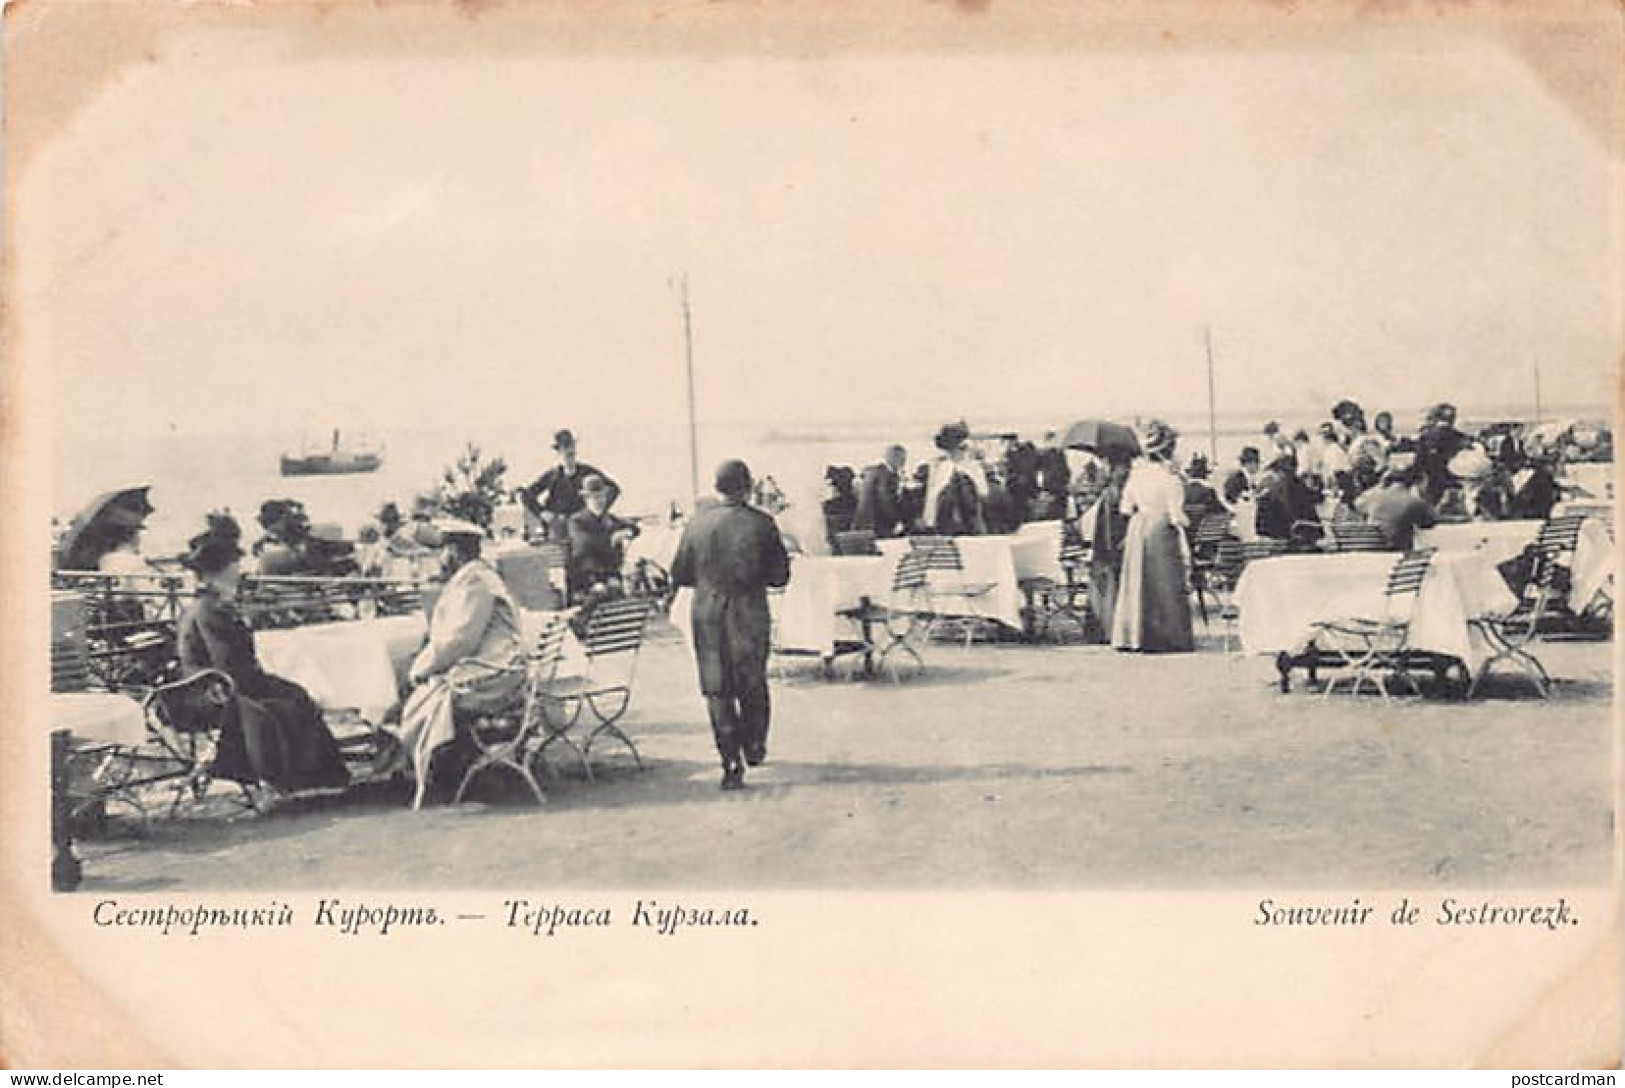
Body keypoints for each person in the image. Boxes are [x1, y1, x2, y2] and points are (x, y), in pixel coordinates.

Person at [174, 518, 349, 803]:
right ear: (223, 570)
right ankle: (305, 778)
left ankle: (309, 778)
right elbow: (228, 664)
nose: (239, 570)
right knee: (291, 701)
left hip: (215, 682)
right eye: (235, 564)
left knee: (296, 695)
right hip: (214, 689)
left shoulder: (208, 605)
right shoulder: (211, 610)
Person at [383, 519, 525, 808]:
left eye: (442, 551)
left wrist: (421, 669)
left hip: (490, 674)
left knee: (419, 689)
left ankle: (426, 766)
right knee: (411, 682)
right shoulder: (478, 576)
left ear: (456, 551)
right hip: (491, 667)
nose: (439, 559)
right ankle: (418, 761)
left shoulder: (474, 582)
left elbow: (460, 640)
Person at [669, 459, 791, 791]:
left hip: (707, 613)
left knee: (716, 687)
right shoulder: (762, 523)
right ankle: (754, 744)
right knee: (752, 682)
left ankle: (730, 761)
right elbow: (780, 576)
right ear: (748, 487)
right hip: (749, 610)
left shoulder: (696, 524)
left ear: (717, 488)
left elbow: (679, 574)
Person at [1111, 421, 1195, 653]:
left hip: (1138, 526)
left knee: (1137, 580)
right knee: (1164, 582)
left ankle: (1134, 635)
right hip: (1160, 526)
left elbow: (1126, 508)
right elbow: (1177, 514)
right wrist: (1187, 525)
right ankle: (1168, 637)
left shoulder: (1137, 475)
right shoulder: (1171, 478)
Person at [521, 429, 619, 541]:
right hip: (560, 527)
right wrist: (542, 512)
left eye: (571, 446)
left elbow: (613, 489)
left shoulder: (587, 473)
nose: (569, 451)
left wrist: (598, 510)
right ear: (558, 452)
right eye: (564, 448)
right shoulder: (553, 476)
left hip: (584, 525)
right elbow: (527, 495)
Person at [566, 474, 640, 602]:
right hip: (587, 575)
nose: (599, 501)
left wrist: (628, 532)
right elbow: (586, 544)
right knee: (602, 593)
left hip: (610, 573)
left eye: (601, 497)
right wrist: (612, 538)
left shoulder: (609, 519)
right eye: (595, 498)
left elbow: (634, 528)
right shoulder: (577, 521)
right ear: (586, 499)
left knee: (621, 590)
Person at [1085, 453, 1131, 642]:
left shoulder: (1109, 494)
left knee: (1105, 587)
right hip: (1113, 549)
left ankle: (1103, 629)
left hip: (1106, 549)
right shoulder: (1115, 493)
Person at [923, 421, 988, 534]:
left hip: (969, 523)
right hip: (947, 523)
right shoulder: (941, 467)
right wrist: (929, 522)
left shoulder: (972, 467)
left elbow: (983, 493)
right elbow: (932, 497)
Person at [1354, 466, 1437, 551]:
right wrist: (1422, 494)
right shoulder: (1414, 502)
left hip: (1371, 548)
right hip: (1398, 550)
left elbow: (1357, 505)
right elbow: (1430, 522)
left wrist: (1379, 487)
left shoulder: (1372, 497)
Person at [853, 445, 907, 538]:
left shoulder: (870, 471)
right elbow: (886, 501)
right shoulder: (887, 475)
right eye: (902, 459)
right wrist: (898, 520)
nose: (903, 463)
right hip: (879, 526)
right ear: (894, 458)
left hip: (863, 523)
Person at [1033, 432, 1073, 520]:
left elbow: (1066, 471)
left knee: (1059, 511)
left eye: (1054, 441)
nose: (1054, 443)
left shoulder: (1058, 454)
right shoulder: (1044, 455)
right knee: (1054, 511)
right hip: (1052, 488)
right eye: (1052, 441)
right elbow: (1037, 471)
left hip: (1057, 488)